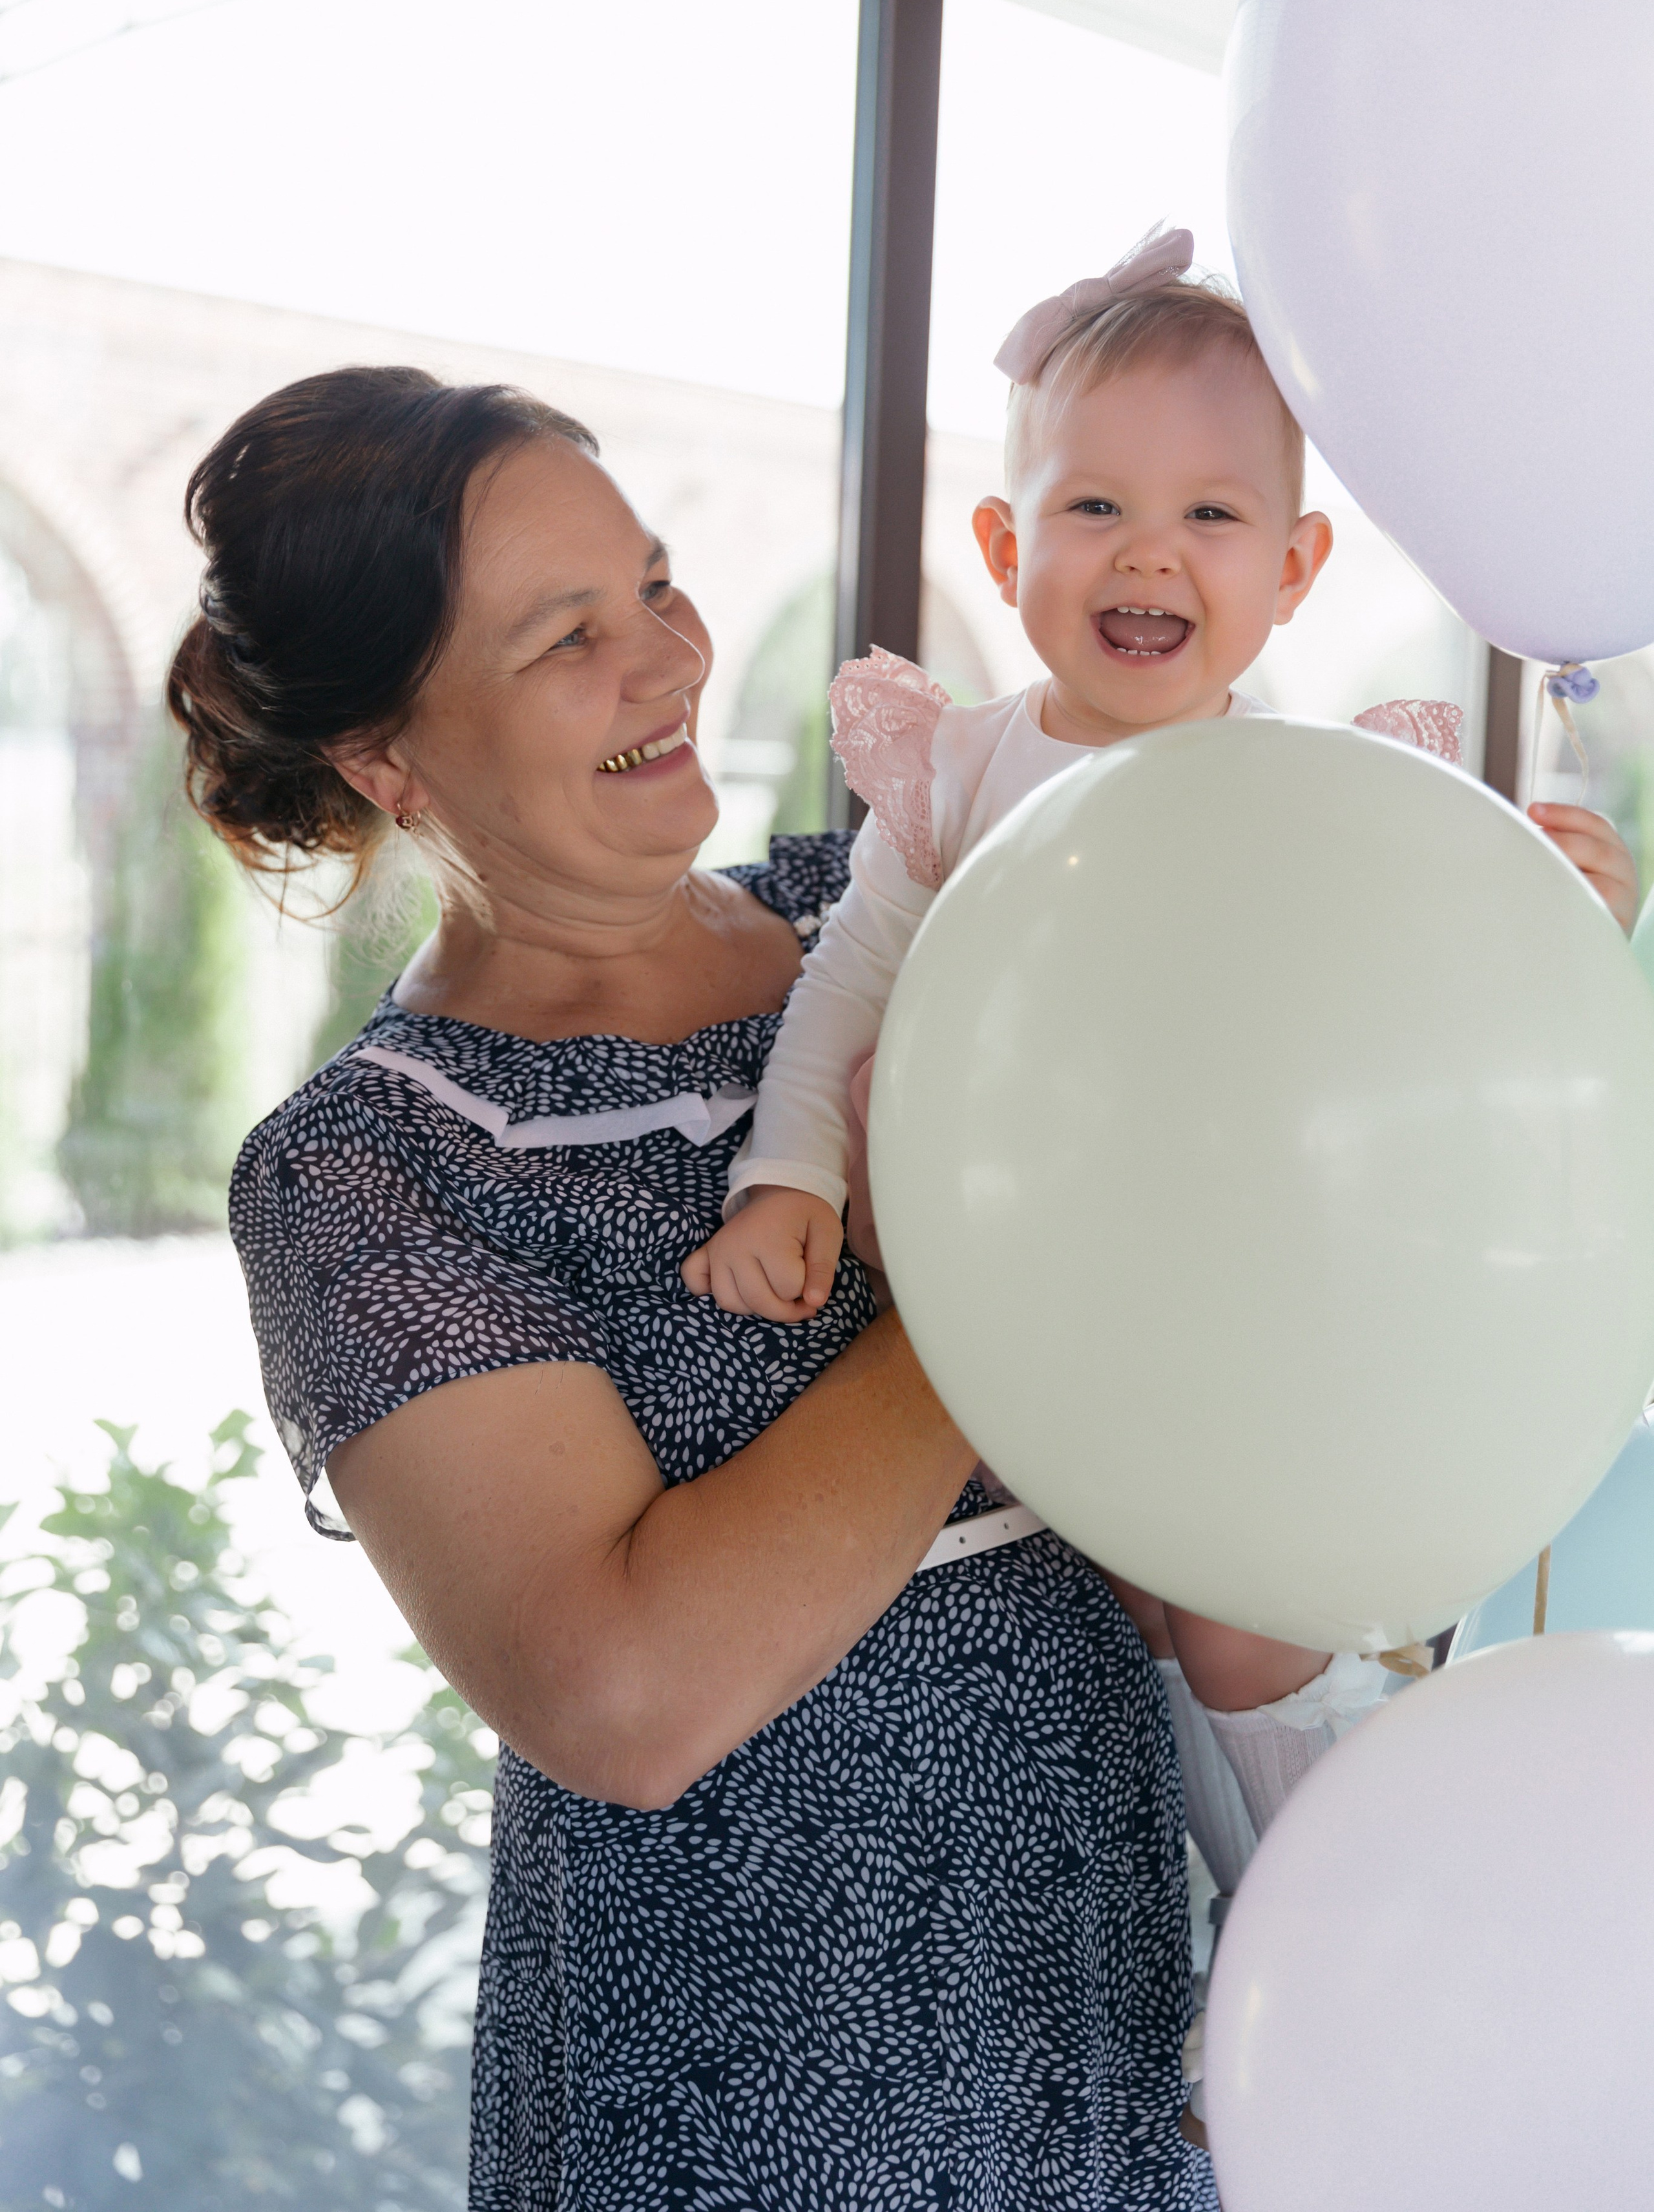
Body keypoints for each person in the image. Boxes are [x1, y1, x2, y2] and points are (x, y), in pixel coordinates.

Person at [167, 362, 1272, 2210]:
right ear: (390, 761)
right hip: (746, 2078)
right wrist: (1002, 1265)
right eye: (564, 639)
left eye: (658, 584)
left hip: (1090, 1972)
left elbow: (1254, 1048)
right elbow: (625, 1692)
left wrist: (1506, 902)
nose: (668, 662)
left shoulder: (900, 906)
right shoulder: (373, 1168)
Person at [684, 228, 1640, 1877]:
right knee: (1099, 1623)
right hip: (985, 1282)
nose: (1149, 558)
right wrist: (789, 1172)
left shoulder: (1310, 797)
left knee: (1238, 1625)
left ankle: (1313, 1902)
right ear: (1002, 543)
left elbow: (1398, 1014)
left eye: (1209, 515)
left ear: (1292, 567)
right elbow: (845, 985)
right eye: (1093, 509)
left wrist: (1549, 918)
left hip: (1209, 1288)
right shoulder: (958, 772)